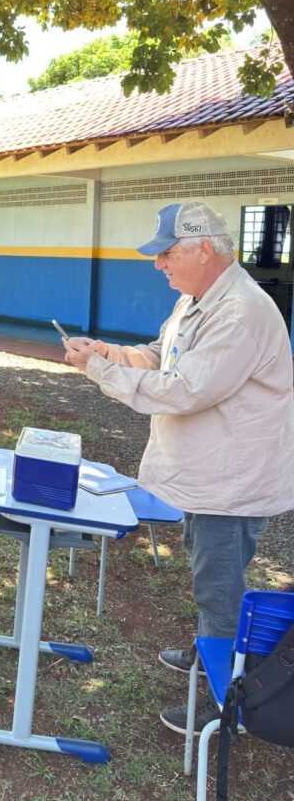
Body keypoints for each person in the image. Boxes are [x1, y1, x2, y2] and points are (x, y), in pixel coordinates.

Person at [63, 201, 294, 735]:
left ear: (204, 249)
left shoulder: (238, 312)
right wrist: (110, 352)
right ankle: (210, 651)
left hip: (230, 482)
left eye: (167, 254)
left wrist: (99, 370)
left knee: (219, 588)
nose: (158, 265)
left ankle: (233, 701)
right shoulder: (200, 299)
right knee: (209, 574)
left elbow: (186, 390)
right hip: (206, 474)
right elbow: (162, 355)